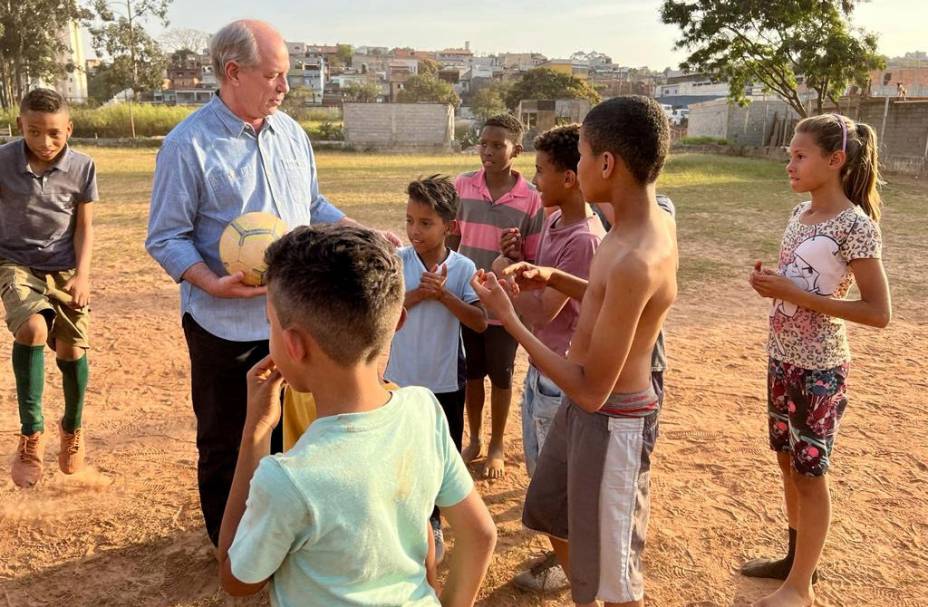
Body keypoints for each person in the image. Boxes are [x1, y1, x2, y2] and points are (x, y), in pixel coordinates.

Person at [146, 19, 399, 547]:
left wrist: (360, 229)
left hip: (291, 319)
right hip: (222, 324)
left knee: (290, 431)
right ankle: (230, 544)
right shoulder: (187, 144)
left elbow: (310, 206)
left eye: (285, 77)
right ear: (233, 72)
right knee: (226, 438)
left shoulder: (291, 134)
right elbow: (166, 236)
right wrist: (209, 283)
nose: (284, 88)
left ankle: (282, 533)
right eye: (275, 75)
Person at [217, 225, 497, 606]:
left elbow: (237, 578)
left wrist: (255, 432)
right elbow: (479, 535)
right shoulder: (423, 409)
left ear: (294, 344)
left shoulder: (286, 479)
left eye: (270, 324)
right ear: (398, 320)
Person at [472, 96, 678, 607]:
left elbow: (589, 388)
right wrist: (552, 275)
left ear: (606, 163)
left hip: (612, 421)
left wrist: (510, 316)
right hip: (588, 414)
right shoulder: (632, 226)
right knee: (556, 514)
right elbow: (609, 302)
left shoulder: (635, 256)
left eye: (582, 154)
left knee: (616, 574)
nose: (575, 167)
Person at [744, 114, 891, 607]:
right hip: (781, 358)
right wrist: (775, 287)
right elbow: (802, 285)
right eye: (790, 153)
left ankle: (801, 587)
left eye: (799, 155)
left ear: (835, 161)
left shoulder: (856, 226)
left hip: (819, 369)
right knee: (787, 464)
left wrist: (797, 295)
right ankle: (792, 560)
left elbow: (878, 313)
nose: (789, 164)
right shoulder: (798, 215)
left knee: (811, 474)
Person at [491, 124, 605, 591]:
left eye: (541, 171)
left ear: (570, 177)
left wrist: (501, 276)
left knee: (558, 483)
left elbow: (539, 313)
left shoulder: (584, 239)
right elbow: (542, 277)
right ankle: (565, 551)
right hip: (542, 370)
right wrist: (520, 255)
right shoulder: (557, 222)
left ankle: (572, 563)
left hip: (559, 375)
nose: (533, 180)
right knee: (543, 471)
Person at [385, 175, 488, 560]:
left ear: (450, 226)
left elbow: (479, 321)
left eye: (425, 223)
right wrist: (417, 295)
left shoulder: (462, 268)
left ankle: (433, 522)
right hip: (398, 380)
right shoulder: (397, 263)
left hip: (445, 382)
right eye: (410, 220)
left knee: (437, 455)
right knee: (398, 453)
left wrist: (443, 295)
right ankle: (399, 521)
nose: (414, 231)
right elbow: (383, 313)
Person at [1, 88, 97, 487]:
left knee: (73, 349)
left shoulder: (83, 167)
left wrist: (83, 275)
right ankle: (31, 434)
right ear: (20, 124)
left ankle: (72, 429)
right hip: (15, 263)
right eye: (35, 131)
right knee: (33, 329)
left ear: (69, 129)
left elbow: (84, 228)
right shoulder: (2, 160)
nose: (45, 141)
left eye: (55, 133)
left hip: (64, 270)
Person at [450, 113, 544, 479]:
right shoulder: (463, 186)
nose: (487, 151)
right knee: (472, 375)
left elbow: (534, 260)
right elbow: (453, 239)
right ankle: (473, 439)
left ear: (516, 150)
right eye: (483, 143)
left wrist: (518, 251)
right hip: (468, 300)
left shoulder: (530, 199)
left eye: (497, 145)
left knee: (501, 377)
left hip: (505, 305)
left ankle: (497, 445)